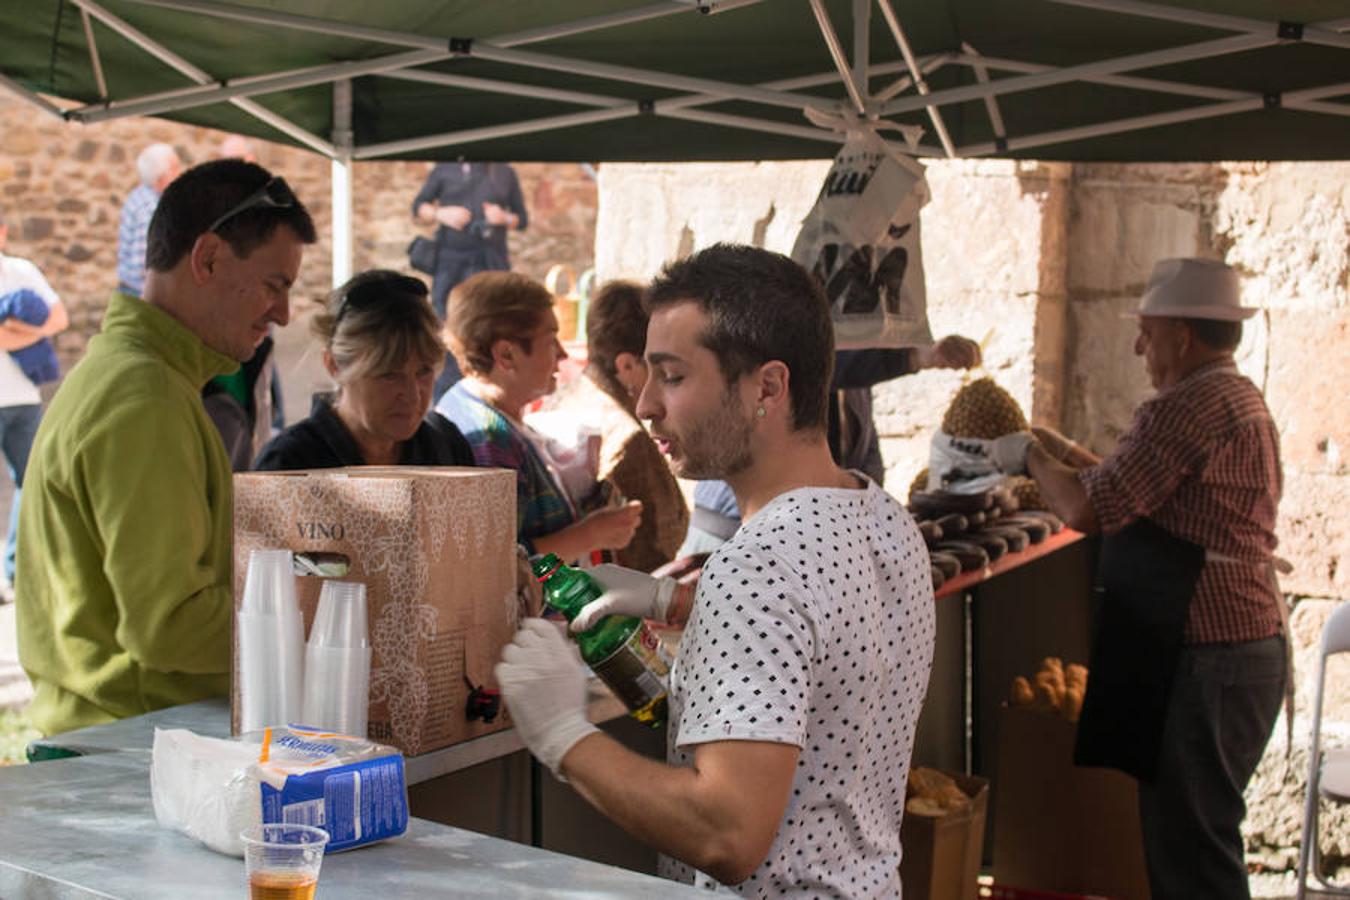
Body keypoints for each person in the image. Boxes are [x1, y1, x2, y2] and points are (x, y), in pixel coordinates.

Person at [495, 244, 936, 897]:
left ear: (767, 387)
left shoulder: (760, 565)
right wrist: (672, 601)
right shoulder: (883, 517)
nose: (644, 405)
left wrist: (563, 735)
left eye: (671, 376)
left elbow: (726, 834)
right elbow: (824, 642)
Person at [989, 258, 1285, 900]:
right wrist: (1063, 451)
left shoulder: (1182, 408)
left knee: (1192, 850)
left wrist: (1027, 457)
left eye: (1147, 333)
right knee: (1202, 836)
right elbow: (1136, 487)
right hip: (1246, 648)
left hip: (1207, 656)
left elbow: (1087, 507)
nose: (1137, 346)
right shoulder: (1237, 396)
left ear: (1182, 336)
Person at [16, 159, 316, 736]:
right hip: (127, 747)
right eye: (275, 285)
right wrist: (325, 622)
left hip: (125, 739)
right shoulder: (144, 393)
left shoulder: (146, 378)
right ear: (206, 258)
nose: (283, 313)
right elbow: (169, 625)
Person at [679, 336, 982, 555]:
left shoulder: (859, 379)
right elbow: (826, 368)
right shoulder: (783, 361)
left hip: (806, 537)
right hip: (728, 532)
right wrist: (915, 356)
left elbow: (866, 452)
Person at [436, 271, 641, 563]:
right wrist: (593, 534)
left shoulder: (472, 405)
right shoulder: (488, 438)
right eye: (551, 340)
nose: (561, 354)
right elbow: (498, 565)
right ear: (506, 355)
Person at [254, 269, 474, 470]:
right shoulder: (289, 465)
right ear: (334, 365)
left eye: (424, 371)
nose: (412, 395)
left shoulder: (447, 449)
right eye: (389, 374)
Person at [545, 280, 688, 572]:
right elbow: (653, 553)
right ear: (626, 365)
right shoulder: (627, 439)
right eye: (658, 367)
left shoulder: (561, 399)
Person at [412, 161, 528, 397]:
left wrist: (503, 218)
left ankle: (490, 391)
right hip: (450, 264)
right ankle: (446, 396)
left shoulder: (504, 172)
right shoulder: (444, 169)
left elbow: (522, 219)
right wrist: (441, 213)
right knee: (447, 327)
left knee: (494, 327)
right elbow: (418, 207)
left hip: (490, 261)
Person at [0, 209, 68, 600]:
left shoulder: (23, 271)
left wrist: (22, 330)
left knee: (31, 487)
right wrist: (32, 334)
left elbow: (58, 318)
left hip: (24, 397)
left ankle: (15, 567)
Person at [116, 143, 182, 298]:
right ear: (162, 176)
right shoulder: (149, 208)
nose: (181, 173)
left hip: (133, 290)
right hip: (140, 294)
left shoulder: (141, 195)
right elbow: (147, 264)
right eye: (175, 168)